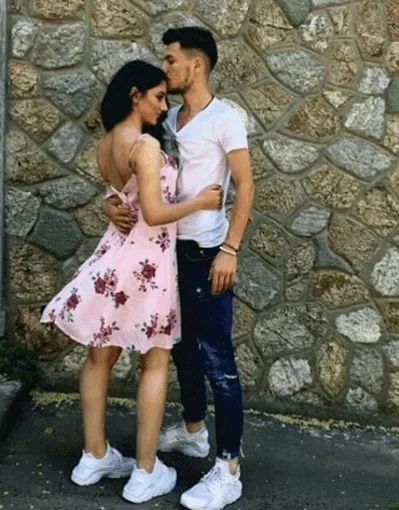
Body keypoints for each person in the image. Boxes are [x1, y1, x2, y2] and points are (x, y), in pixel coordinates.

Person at [40, 60, 223, 505]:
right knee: (154, 363)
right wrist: (200, 201)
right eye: (158, 97)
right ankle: (144, 472)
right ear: (134, 94)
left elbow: (121, 197)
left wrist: (110, 204)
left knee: (98, 358)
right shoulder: (144, 144)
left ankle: (94, 455)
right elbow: (154, 213)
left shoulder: (106, 144)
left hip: (114, 257)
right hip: (148, 263)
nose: (163, 106)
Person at [103, 27, 255, 510]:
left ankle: (228, 469)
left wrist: (230, 249)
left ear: (197, 65)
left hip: (207, 254)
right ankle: (193, 431)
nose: (164, 68)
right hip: (167, 252)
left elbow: (246, 186)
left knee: (217, 360)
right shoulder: (166, 119)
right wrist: (110, 202)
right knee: (182, 349)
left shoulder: (225, 118)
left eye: (171, 60)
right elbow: (133, 171)